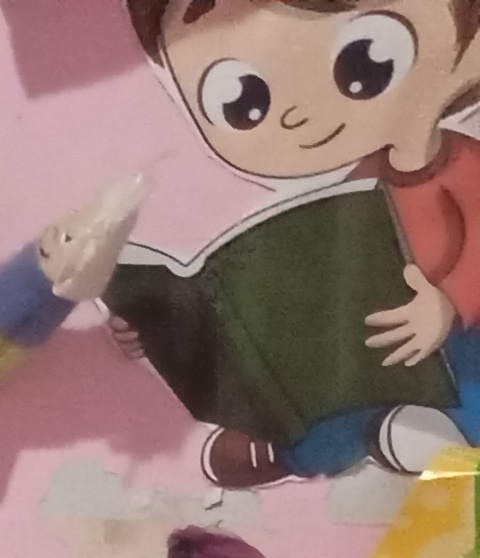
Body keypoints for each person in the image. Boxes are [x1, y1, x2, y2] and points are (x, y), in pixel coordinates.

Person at [138, 0, 480, 481]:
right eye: (244, 104)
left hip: (460, 336)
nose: (297, 114)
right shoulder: (356, 189)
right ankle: (298, 448)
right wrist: (152, 329)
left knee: (466, 367)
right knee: (341, 387)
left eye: (365, 62)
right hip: (380, 344)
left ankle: (448, 433)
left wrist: (450, 305)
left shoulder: (464, 163)